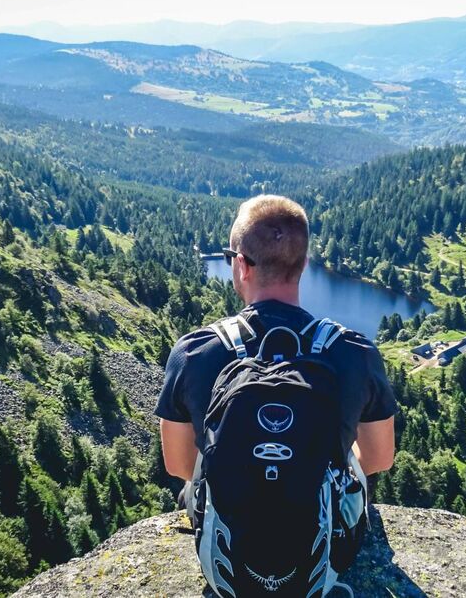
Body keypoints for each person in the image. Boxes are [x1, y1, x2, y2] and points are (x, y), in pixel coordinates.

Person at [156, 193, 396, 502]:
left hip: (230, 543)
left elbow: (180, 465)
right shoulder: (354, 352)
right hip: (324, 543)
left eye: (230, 257)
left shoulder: (193, 353)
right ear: (304, 264)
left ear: (242, 265)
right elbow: (379, 458)